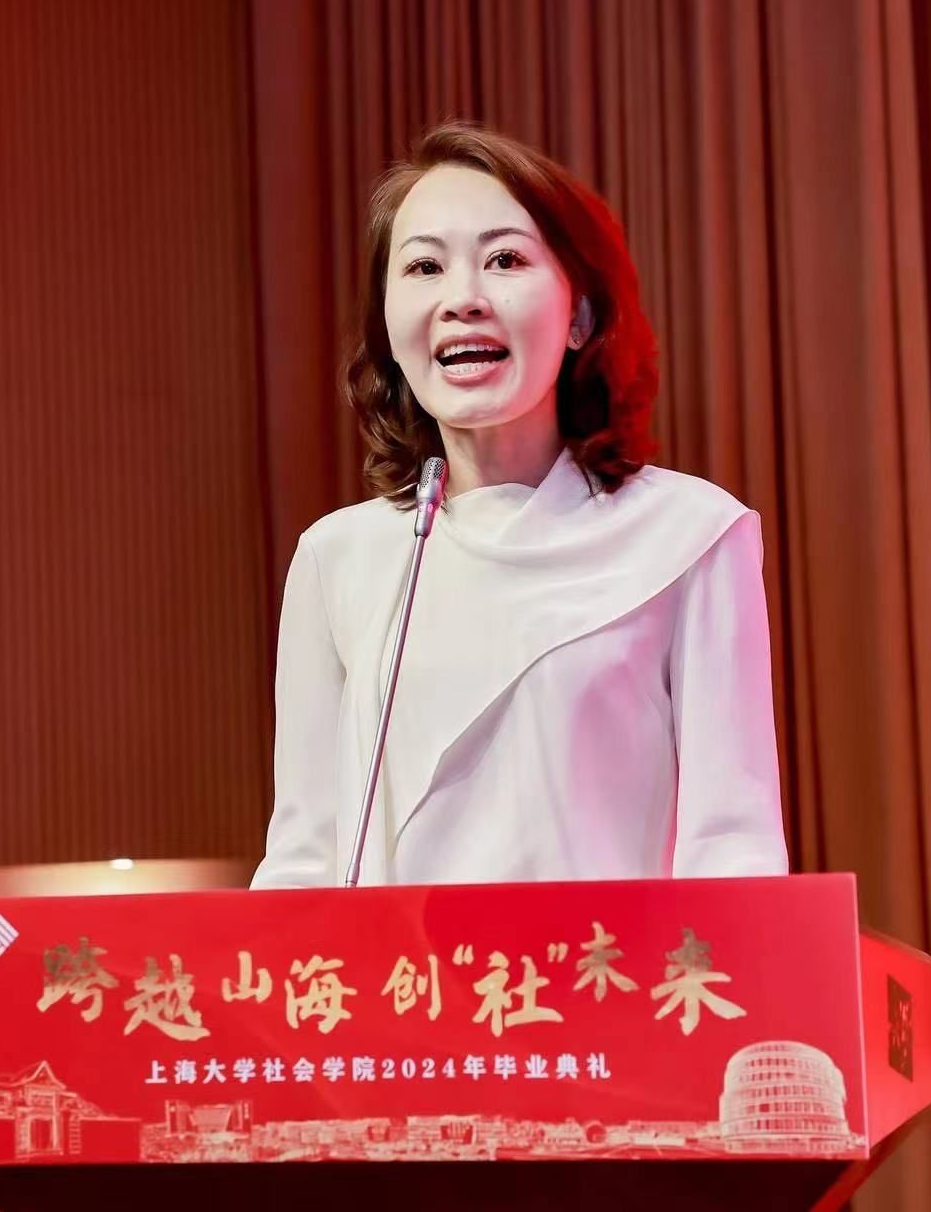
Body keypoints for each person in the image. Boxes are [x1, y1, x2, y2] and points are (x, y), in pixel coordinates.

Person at [250, 122, 787, 889]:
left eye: (505, 260)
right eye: (425, 267)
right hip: (398, 971)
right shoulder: (339, 558)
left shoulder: (689, 536)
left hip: (608, 968)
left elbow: (734, 853)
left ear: (580, 317)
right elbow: (303, 862)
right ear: (389, 328)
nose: (462, 300)